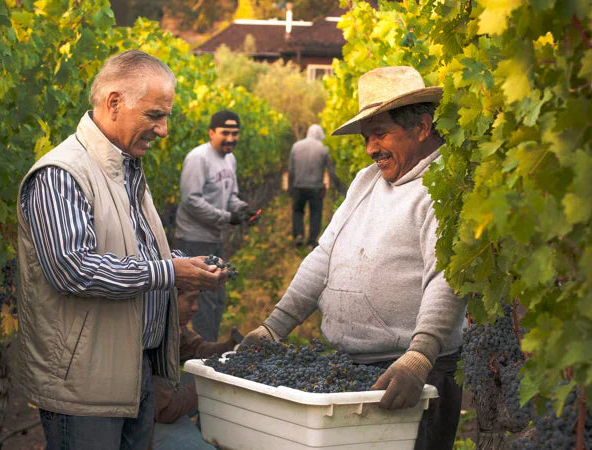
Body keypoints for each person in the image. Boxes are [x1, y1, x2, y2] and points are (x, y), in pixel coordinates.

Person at [241, 66, 467, 450]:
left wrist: (419, 357)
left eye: (380, 134)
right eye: (366, 138)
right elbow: (324, 256)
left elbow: (446, 278)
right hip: (351, 370)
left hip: (409, 376)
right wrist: (274, 327)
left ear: (423, 127)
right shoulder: (367, 180)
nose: (370, 148)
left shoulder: (445, 186)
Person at [13, 49, 228, 449]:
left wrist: (181, 262)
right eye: (155, 115)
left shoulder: (126, 170)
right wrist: (170, 273)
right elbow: (73, 269)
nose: (164, 130)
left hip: (134, 370)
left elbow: (129, 249)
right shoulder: (62, 174)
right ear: (114, 103)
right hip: (84, 384)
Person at [174, 110, 257, 342]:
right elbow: (191, 201)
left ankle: (207, 350)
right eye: (225, 133)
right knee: (200, 302)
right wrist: (228, 217)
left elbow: (231, 196)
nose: (231, 138)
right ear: (211, 132)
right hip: (194, 240)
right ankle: (196, 363)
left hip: (215, 239)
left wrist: (243, 209)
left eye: (235, 133)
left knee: (217, 297)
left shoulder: (230, 159)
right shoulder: (198, 158)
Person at [151, 288, 238, 450]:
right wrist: (209, 383)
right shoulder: (153, 336)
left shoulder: (173, 325)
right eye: (191, 300)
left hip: (164, 408)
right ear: (169, 299)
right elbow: (165, 411)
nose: (196, 307)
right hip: (147, 423)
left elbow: (197, 349)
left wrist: (231, 345)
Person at [288, 124, 334, 248]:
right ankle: (311, 242)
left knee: (297, 211)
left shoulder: (296, 146)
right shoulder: (324, 148)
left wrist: (290, 187)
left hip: (299, 186)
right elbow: (331, 170)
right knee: (316, 213)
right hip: (316, 188)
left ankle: (298, 235)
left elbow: (291, 170)